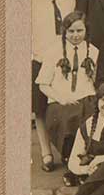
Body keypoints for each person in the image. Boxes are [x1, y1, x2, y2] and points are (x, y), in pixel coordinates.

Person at [35, 11, 99, 180]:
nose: (76, 35)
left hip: (87, 98)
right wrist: (61, 98)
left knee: (91, 117)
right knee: (65, 117)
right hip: (61, 101)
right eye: (71, 31)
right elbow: (43, 84)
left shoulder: (93, 51)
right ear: (65, 31)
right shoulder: (54, 51)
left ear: (86, 30)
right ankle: (70, 158)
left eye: (80, 31)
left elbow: (97, 81)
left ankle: (86, 161)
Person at [31, 0, 75, 172]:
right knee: (40, 108)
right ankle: (46, 153)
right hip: (39, 60)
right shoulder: (32, 2)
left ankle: (67, 152)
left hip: (62, 61)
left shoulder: (69, 1)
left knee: (61, 104)